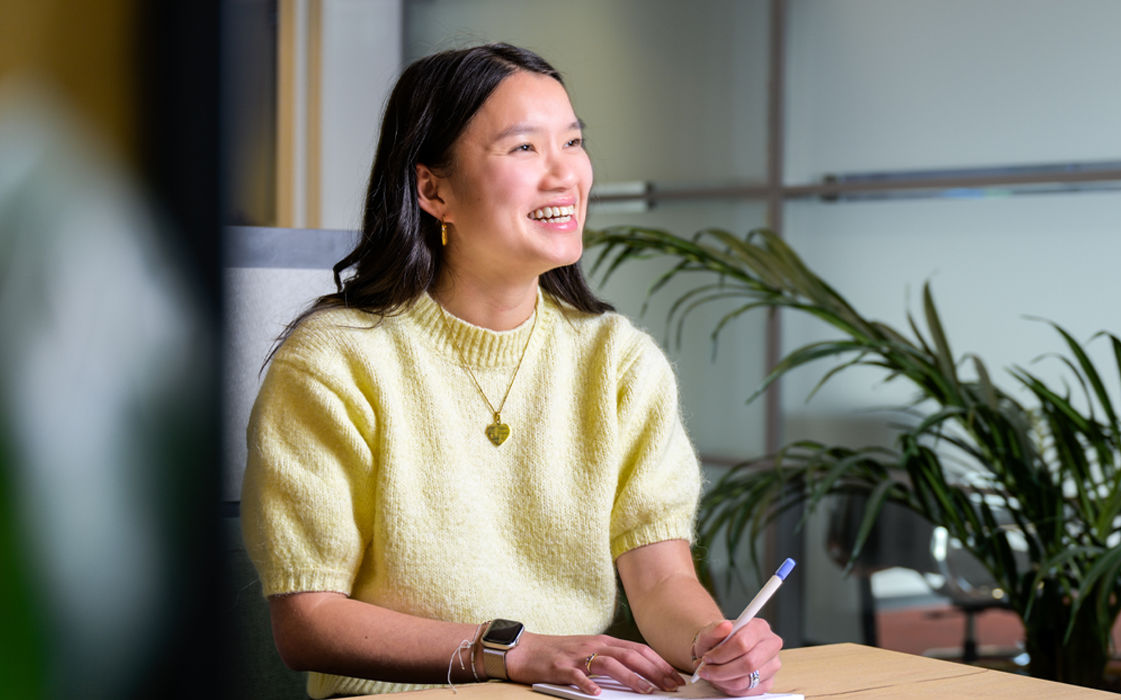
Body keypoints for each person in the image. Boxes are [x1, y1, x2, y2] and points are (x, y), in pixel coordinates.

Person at [240, 43, 783, 698]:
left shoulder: (619, 362)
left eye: (573, 143)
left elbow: (661, 580)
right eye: (524, 149)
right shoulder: (334, 362)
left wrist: (710, 641)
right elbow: (307, 623)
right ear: (432, 189)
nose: (565, 175)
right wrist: (508, 652)